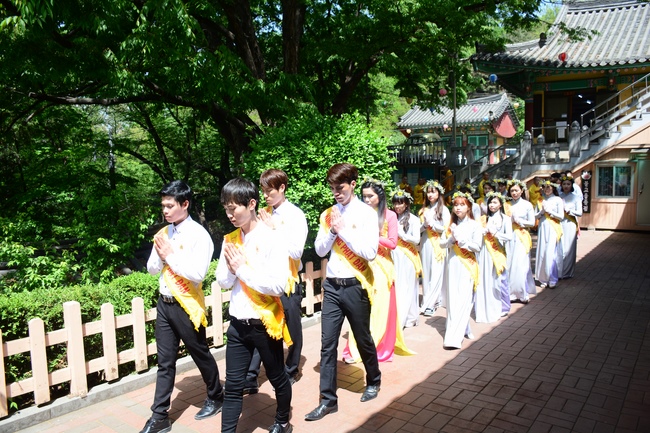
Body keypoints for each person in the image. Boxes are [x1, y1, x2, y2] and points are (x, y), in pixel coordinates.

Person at [142, 180, 223, 433]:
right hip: (164, 304)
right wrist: (160, 256)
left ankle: (216, 395)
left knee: (200, 353)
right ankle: (159, 416)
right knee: (165, 362)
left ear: (185, 204)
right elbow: (151, 268)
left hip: (186, 304)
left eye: (170, 206)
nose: (165, 211)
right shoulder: (163, 234)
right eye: (163, 206)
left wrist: (170, 256)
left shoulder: (199, 235)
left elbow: (198, 273)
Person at [305, 163, 382, 422]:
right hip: (332, 287)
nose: (336, 193)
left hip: (356, 285)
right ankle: (328, 400)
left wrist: (344, 232)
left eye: (340, 188)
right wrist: (331, 231)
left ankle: (374, 379)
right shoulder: (329, 214)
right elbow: (319, 250)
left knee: (362, 338)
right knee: (327, 345)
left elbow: (370, 252)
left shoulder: (367, 214)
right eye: (332, 189)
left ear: (352, 184)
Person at [216, 178, 293, 433]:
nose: (230, 215)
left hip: (265, 323)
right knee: (233, 386)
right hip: (238, 325)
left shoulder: (272, 238)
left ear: (251, 204)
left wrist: (242, 269)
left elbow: (277, 286)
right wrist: (231, 269)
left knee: (277, 376)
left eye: (233, 209)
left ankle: (282, 421)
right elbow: (223, 282)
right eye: (226, 209)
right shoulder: (230, 240)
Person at [243, 169, 308, 394]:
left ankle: (291, 369)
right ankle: (251, 377)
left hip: (288, 279)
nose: (265, 196)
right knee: (263, 325)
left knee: (292, 326)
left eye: (269, 191)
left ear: (282, 188)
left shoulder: (295, 215)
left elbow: (296, 251)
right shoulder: (265, 213)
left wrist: (273, 229)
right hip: (267, 280)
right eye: (263, 191)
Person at [343, 180, 414, 363]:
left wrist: (374, 237)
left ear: (379, 196)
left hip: (382, 266)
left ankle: (377, 346)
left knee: (379, 306)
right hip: (362, 263)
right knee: (360, 307)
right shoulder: (358, 214)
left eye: (370, 196)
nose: (367, 200)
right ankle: (357, 346)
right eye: (364, 196)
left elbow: (393, 243)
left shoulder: (389, 215)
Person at [440, 192, 482, 349]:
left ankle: (453, 338)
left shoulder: (475, 225)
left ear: (469, 207)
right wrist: (451, 240)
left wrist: (463, 241)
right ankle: (461, 328)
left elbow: (477, 246)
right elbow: (441, 244)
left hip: (467, 264)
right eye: (456, 205)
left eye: (462, 205)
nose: (458, 208)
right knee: (453, 299)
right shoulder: (450, 225)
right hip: (453, 263)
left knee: (464, 298)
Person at [477, 192, 512, 322]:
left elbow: (509, 236)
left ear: (500, 204)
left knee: (500, 280)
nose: (492, 205)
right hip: (484, 252)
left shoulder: (505, 219)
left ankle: (504, 306)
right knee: (485, 279)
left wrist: (496, 233)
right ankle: (486, 305)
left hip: (497, 251)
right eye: (490, 202)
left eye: (495, 202)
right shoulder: (483, 219)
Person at [391, 189, 422, 328]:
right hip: (395, 255)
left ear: (406, 204)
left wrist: (402, 235)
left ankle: (405, 318)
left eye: (400, 203)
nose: (397, 206)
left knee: (407, 286)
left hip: (408, 256)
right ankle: (403, 316)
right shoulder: (392, 218)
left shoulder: (413, 219)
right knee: (398, 285)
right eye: (395, 203)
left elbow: (416, 240)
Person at [419, 180, 450, 316]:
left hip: (438, 244)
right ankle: (427, 299)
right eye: (428, 192)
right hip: (426, 242)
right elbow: (418, 229)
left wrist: (433, 225)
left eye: (433, 192)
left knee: (436, 273)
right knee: (426, 272)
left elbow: (446, 229)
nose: (430, 195)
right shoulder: (424, 210)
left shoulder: (444, 210)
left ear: (439, 193)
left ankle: (431, 303)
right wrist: (424, 225)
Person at [506, 179, 536, 304]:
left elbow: (532, 222)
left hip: (521, 236)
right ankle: (511, 293)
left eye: (516, 190)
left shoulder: (527, 205)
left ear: (522, 191)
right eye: (512, 190)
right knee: (510, 264)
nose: (514, 193)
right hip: (509, 236)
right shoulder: (506, 205)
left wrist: (520, 221)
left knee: (521, 264)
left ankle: (523, 293)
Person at [535, 179, 565, 289]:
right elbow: (534, 216)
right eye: (544, 187)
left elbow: (561, 216)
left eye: (548, 187)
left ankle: (552, 278)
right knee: (542, 251)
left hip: (553, 227)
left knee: (551, 252)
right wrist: (542, 212)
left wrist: (550, 212)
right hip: (542, 227)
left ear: (553, 188)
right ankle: (543, 278)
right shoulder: (540, 200)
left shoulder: (557, 200)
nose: (546, 189)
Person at [559, 174, 582, 279]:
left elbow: (580, 213)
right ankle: (559, 270)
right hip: (560, 223)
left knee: (569, 248)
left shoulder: (576, 197)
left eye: (568, 184)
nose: (566, 186)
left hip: (570, 224)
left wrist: (570, 211)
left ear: (572, 185)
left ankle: (568, 272)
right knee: (560, 247)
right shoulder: (559, 197)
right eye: (564, 184)